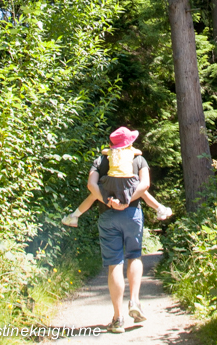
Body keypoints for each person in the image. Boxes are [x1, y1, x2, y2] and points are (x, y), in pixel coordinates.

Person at [87, 126, 153, 333]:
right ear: (130, 143)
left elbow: (91, 185)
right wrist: (125, 202)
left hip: (107, 216)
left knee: (114, 263)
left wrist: (110, 202)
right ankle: (134, 301)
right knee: (134, 256)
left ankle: (117, 319)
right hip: (132, 213)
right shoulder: (138, 159)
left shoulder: (101, 160)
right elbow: (144, 185)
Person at [62, 127, 172, 227]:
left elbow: (91, 183)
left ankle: (74, 216)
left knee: (93, 194)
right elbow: (145, 180)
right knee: (142, 190)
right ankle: (160, 209)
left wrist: (107, 201)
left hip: (109, 182)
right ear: (130, 143)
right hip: (128, 182)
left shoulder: (108, 153)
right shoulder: (133, 153)